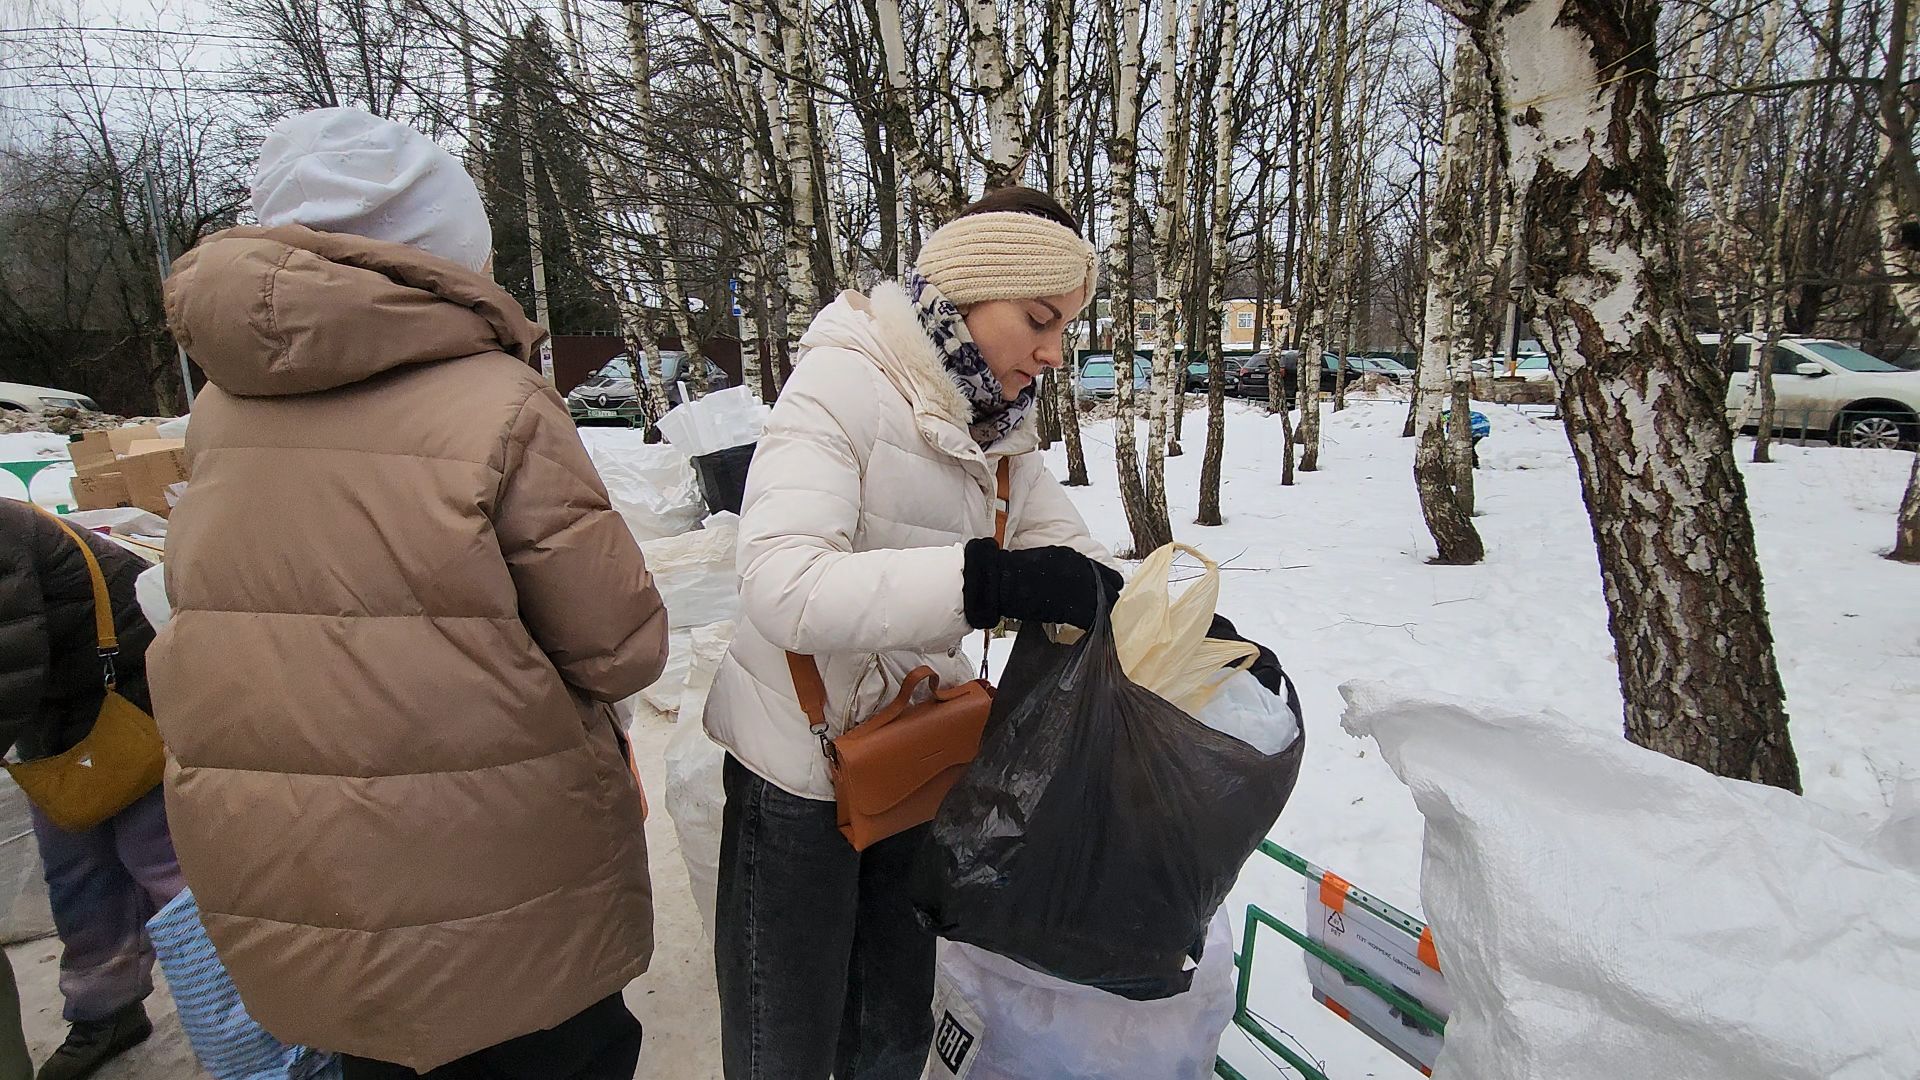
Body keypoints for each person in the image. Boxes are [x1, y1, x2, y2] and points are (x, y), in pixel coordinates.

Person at [147, 107, 670, 1079]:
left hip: (310, 882)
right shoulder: (498, 403)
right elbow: (621, 644)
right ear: (443, 250)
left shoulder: (219, 409)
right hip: (498, 888)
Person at [702, 186, 1122, 1080]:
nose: (1052, 354)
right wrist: (987, 582)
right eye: (1040, 320)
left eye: (1065, 329)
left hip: (913, 759)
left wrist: (1173, 622)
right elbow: (781, 581)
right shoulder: (842, 383)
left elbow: (1070, 556)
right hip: (797, 783)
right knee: (786, 1047)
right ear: (968, 296)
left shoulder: (997, 426)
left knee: (891, 1034)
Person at [0, 498, 185, 1080]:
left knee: (160, 864)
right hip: (57, 717)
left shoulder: (3, 533)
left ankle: (246, 1018)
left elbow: (12, 667)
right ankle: (106, 1014)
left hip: (125, 699)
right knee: (76, 871)